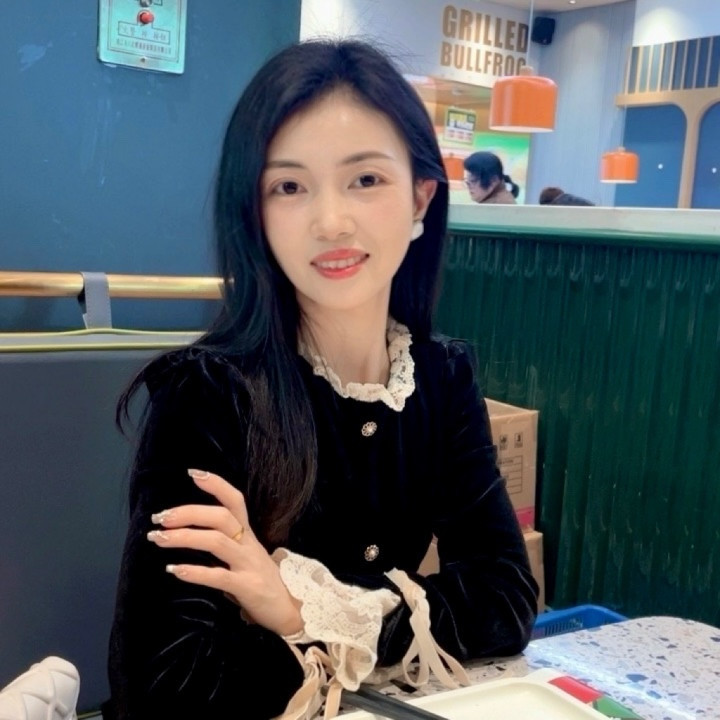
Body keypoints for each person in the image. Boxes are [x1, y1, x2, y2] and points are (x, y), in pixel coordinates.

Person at [103, 38, 538, 720]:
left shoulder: (442, 378)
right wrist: (370, 626)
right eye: (289, 186)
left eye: (366, 179)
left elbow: (506, 601)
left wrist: (298, 607)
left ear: (421, 197)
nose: (331, 222)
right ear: (255, 213)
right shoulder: (207, 394)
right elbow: (162, 688)